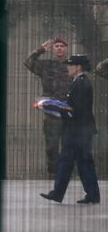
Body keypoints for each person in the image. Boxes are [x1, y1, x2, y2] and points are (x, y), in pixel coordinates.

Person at [40, 54, 100, 204]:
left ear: (78, 67)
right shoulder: (78, 82)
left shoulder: (81, 84)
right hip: (79, 130)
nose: (68, 67)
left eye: (70, 65)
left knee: (72, 161)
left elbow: (75, 109)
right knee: (80, 162)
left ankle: (60, 193)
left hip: (78, 130)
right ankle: (88, 194)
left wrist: (53, 107)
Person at [23, 37, 71, 176]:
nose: (59, 48)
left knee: (69, 145)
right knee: (52, 146)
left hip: (69, 111)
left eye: (62, 46)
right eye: (56, 46)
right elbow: (28, 62)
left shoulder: (72, 65)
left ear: (66, 48)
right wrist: (41, 50)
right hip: (52, 112)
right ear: (53, 49)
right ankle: (53, 174)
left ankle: (67, 174)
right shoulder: (46, 65)